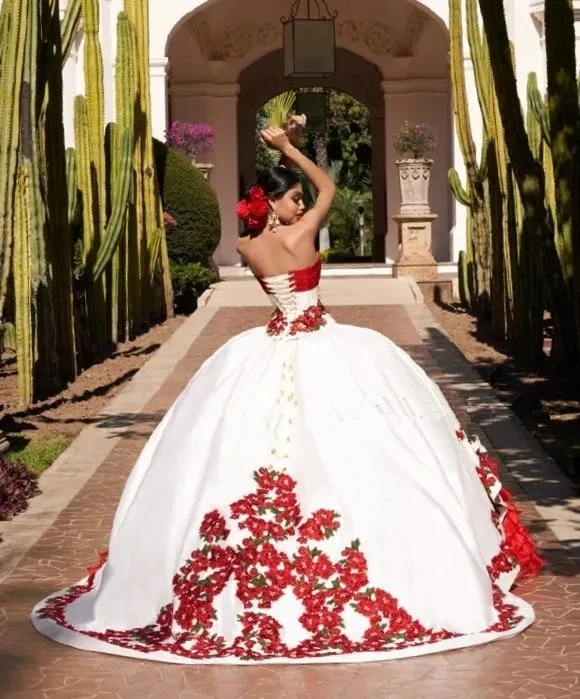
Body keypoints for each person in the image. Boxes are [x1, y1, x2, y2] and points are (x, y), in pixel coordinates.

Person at [31, 117, 543, 665]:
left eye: (299, 201)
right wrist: (290, 149)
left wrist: (272, 161)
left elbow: (287, 215)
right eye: (293, 199)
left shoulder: (252, 246)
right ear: (277, 204)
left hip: (273, 340)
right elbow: (331, 188)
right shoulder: (301, 236)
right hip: (320, 337)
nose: (302, 206)